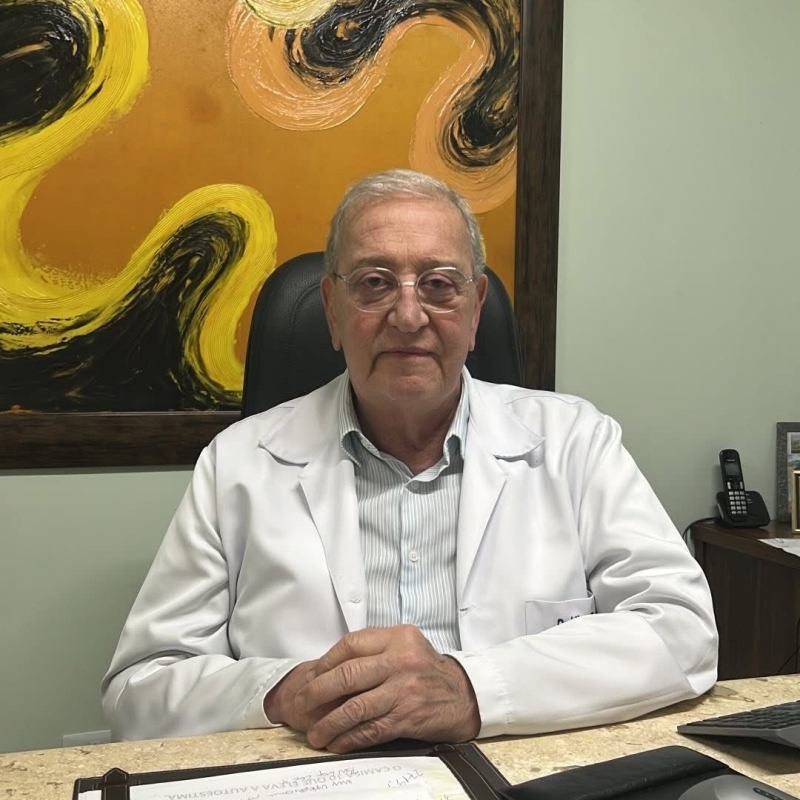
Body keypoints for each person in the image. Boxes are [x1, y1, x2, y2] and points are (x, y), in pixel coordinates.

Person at [102, 169, 718, 754]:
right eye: (374, 282)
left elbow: (681, 629)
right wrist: (279, 691)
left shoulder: (574, 441)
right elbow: (142, 686)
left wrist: (473, 688)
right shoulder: (239, 462)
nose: (407, 315)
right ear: (332, 310)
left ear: (475, 310)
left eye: (439, 284)